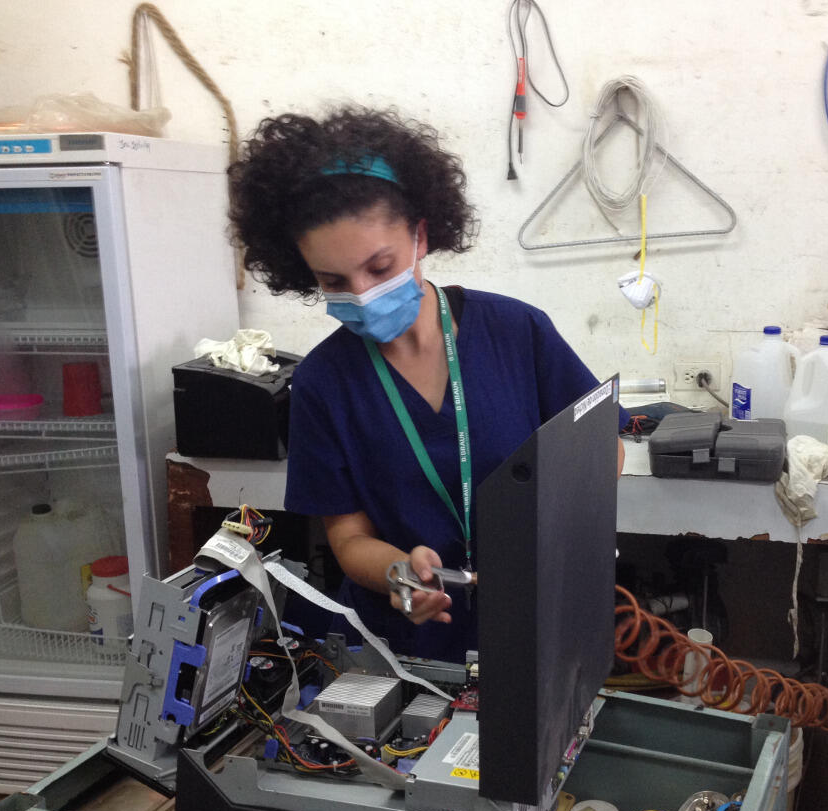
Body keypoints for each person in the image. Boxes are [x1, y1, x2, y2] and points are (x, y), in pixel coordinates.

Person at [228, 106, 627, 662]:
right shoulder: (323, 383)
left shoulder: (515, 332)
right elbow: (348, 540)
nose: (363, 293)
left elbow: (604, 446)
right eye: (334, 281)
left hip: (536, 619)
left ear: (420, 235)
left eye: (380, 266)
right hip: (408, 651)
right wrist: (400, 577)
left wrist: (554, 530)